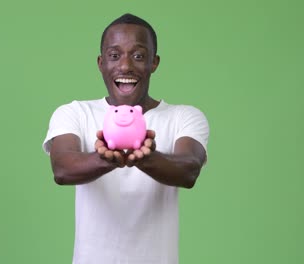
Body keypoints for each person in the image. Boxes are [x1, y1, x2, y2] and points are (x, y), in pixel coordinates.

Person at [43, 13, 209, 264]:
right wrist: (109, 158)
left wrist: (145, 157)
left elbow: (188, 170)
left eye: (139, 56)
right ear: (101, 63)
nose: (125, 66)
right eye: (114, 55)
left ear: (154, 62)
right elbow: (63, 169)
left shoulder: (184, 117)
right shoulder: (75, 113)